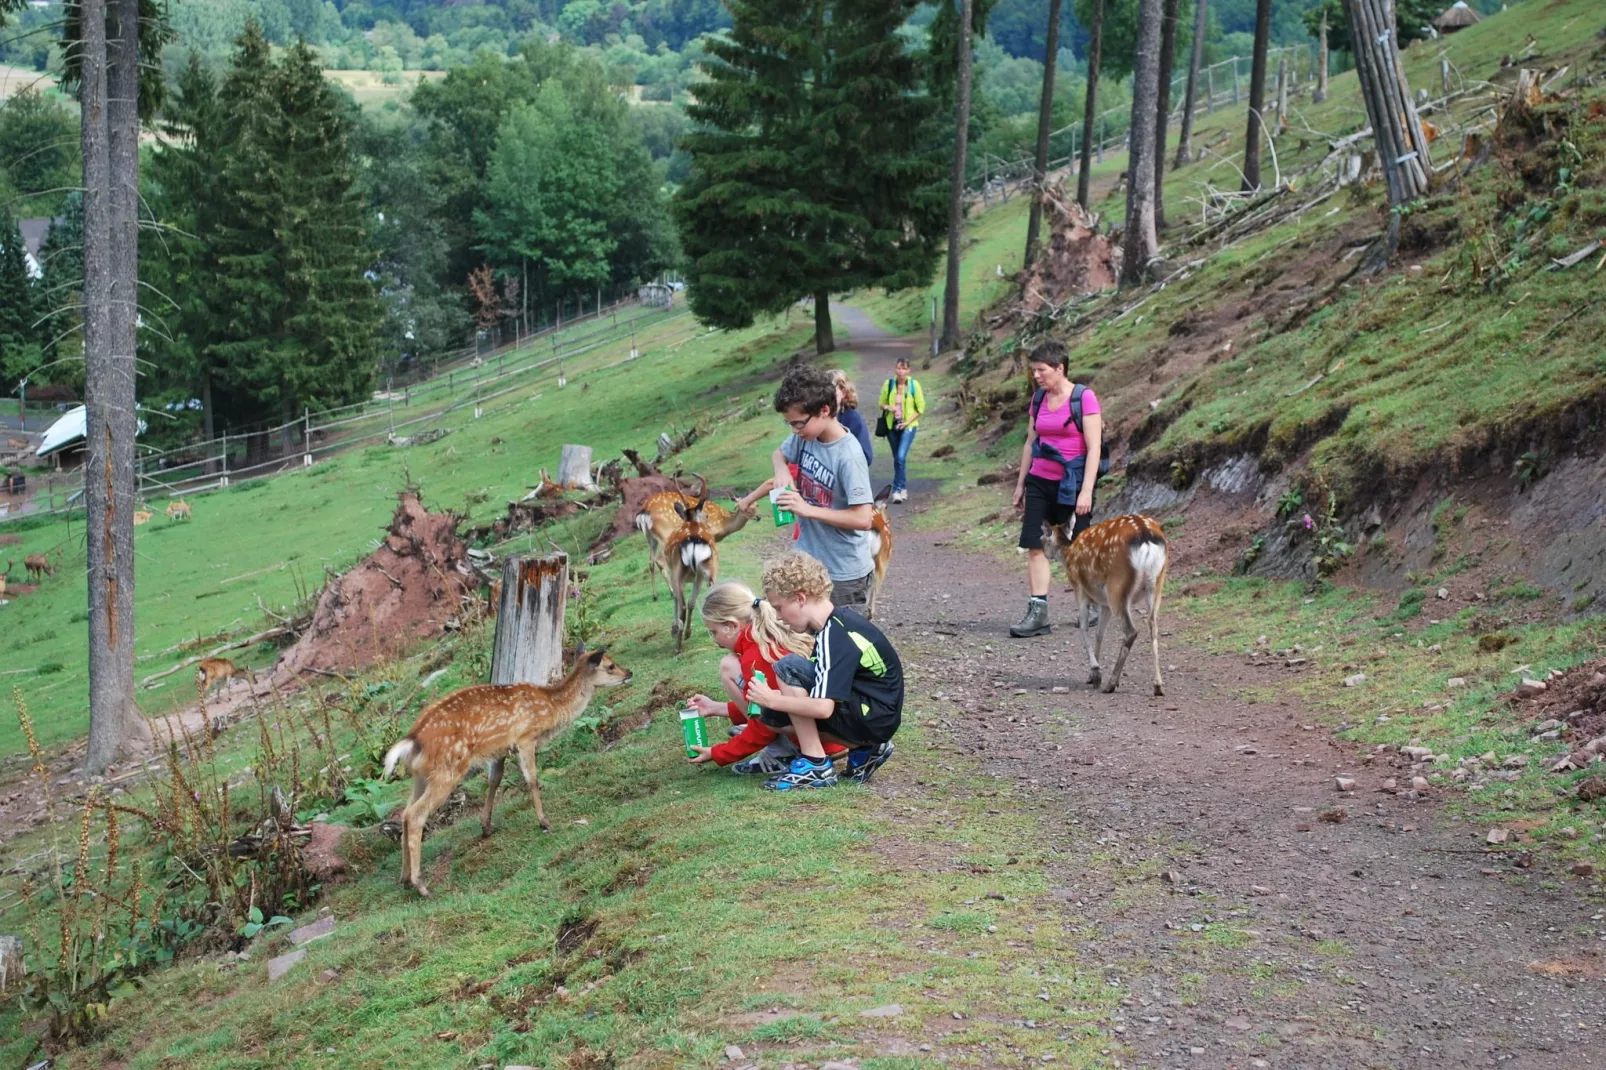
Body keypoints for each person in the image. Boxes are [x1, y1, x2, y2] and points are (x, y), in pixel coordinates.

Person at [745, 551, 903, 790]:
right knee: (773, 717)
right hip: (875, 715)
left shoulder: (834, 635)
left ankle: (815, 764)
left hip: (874, 717)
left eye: (779, 607)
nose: (778, 617)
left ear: (800, 598)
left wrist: (772, 699)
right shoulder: (834, 625)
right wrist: (775, 703)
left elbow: (822, 707)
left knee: (789, 668)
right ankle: (866, 747)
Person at [684, 581, 848, 774]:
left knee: (729, 666)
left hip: (825, 741)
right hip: (838, 728)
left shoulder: (755, 657)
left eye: (714, 632)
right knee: (730, 664)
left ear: (731, 625)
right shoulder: (769, 634)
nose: (715, 639)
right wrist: (717, 708)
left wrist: (718, 753)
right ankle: (792, 747)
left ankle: (784, 753)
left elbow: (764, 726)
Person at [750, 365, 877, 611]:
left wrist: (807, 509)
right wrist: (782, 470)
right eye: (790, 424)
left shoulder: (849, 456)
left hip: (843, 575)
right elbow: (779, 454)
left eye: (798, 424)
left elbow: (863, 519)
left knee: (841, 645)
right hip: (807, 563)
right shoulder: (806, 436)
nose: (794, 431)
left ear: (825, 410)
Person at [1009, 341, 1104, 639]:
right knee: (1035, 545)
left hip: (1072, 483)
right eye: (1034, 370)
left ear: (1059, 368)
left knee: (1077, 547)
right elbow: (1030, 442)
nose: (1036, 376)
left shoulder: (1084, 398)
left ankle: (1091, 602)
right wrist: (1021, 484)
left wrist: (1086, 490)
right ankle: (1038, 613)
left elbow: (1094, 447)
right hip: (1040, 480)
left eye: (1041, 370)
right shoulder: (1038, 400)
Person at [877, 357, 924, 503]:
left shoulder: (914, 385)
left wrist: (907, 422)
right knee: (898, 459)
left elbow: (920, 408)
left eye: (903, 368)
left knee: (901, 457)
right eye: (898, 368)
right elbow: (881, 403)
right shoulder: (889, 384)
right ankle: (902, 488)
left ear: (908, 370)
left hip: (908, 426)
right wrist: (888, 407)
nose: (901, 371)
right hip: (892, 425)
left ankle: (897, 490)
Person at [828, 369, 874, 466]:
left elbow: (866, 456)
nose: (827, 397)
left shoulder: (853, 419)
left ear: (843, 392)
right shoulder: (819, 417)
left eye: (832, 392)